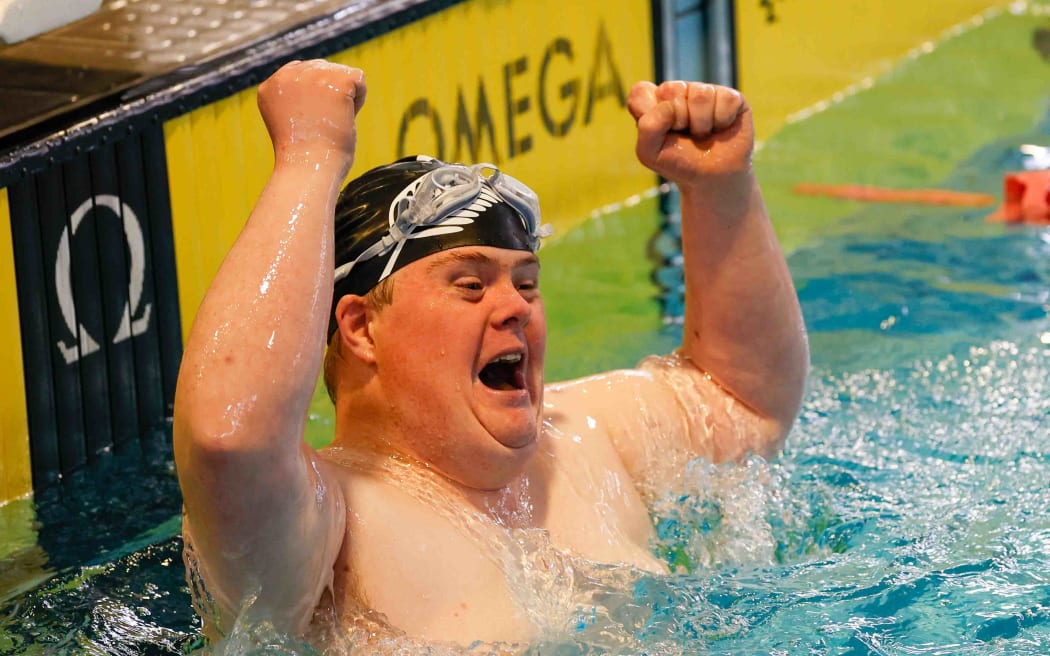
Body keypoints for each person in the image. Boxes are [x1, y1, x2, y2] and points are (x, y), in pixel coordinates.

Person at [173, 59, 808, 648]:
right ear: (362, 327)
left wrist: (722, 190)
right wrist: (309, 158)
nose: (515, 308)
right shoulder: (329, 526)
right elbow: (231, 439)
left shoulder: (585, 439)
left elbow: (743, 402)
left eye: (527, 283)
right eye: (471, 285)